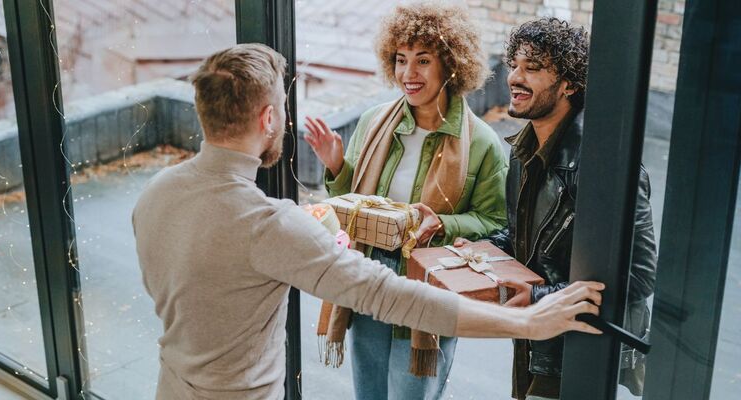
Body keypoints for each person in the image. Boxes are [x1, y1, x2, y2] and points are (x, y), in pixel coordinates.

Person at [132, 43, 605, 400]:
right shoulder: (269, 225)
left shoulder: (155, 193)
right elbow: (390, 296)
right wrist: (526, 323)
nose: (409, 71)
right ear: (270, 117)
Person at [304, 4, 509, 398]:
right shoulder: (374, 121)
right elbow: (357, 206)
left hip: (430, 284)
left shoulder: (481, 142)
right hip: (369, 278)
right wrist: (337, 168)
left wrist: (444, 224)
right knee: (369, 391)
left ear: (450, 64)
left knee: (412, 393)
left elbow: (494, 222)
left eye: (423, 60)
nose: (408, 74)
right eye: (400, 60)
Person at [455, 18, 658, 400]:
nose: (514, 77)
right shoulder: (522, 148)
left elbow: (640, 275)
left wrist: (540, 297)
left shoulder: (606, 167)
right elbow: (526, 239)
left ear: (570, 83)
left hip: (583, 350)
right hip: (538, 338)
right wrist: (475, 247)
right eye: (514, 64)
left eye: (532, 69)